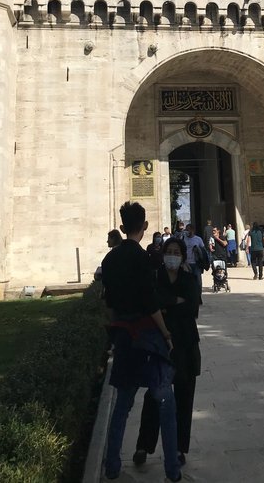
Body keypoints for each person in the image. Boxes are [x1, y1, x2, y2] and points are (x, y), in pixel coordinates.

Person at [101, 201, 181, 482]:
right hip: (147, 337)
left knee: (122, 405)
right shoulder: (144, 259)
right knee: (165, 404)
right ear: (145, 227)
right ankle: (172, 470)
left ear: (122, 228)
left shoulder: (109, 260)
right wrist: (167, 334)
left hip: (123, 337)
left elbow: (109, 303)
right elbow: (150, 302)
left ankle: (112, 466)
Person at [134, 237, 201, 470]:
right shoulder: (156, 277)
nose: (172, 255)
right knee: (154, 395)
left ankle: (179, 448)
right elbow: (152, 302)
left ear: (182, 256)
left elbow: (193, 307)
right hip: (161, 344)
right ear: (163, 254)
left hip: (185, 344)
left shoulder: (189, 278)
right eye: (168, 251)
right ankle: (143, 445)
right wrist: (175, 301)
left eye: (176, 252)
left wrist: (165, 306)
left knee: (184, 396)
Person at [184, 223, 207, 294]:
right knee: (187, 282)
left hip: (196, 263)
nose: (187, 231)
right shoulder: (184, 239)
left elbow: (203, 250)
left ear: (192, 230)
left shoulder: (198, 239)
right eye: (186, 230)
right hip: (186, 263)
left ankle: (198, 296)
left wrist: (198, 250)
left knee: (198, 282)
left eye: (188, 230)